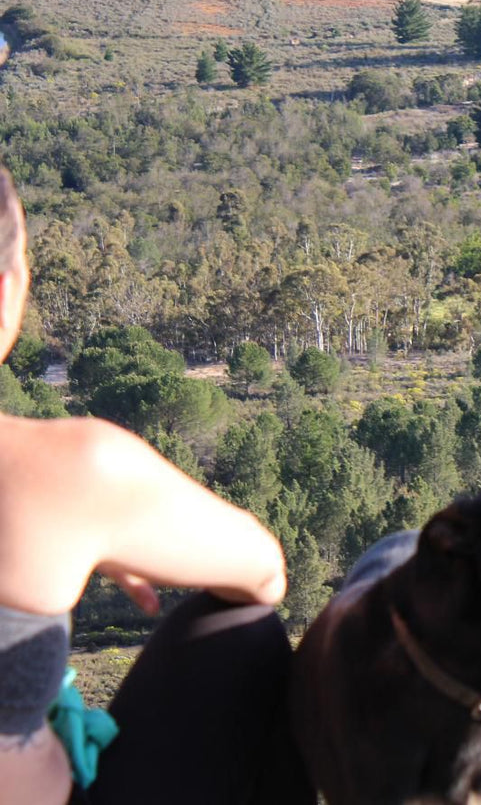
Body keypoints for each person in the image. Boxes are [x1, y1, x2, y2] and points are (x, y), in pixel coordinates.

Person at [0, 167, 312, 805]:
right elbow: (263, 573)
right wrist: (102, 527)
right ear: (7, 291)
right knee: (244, 629)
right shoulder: (67, 469)